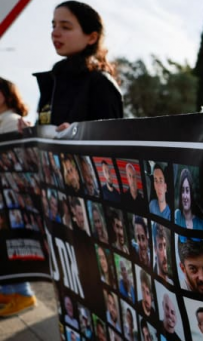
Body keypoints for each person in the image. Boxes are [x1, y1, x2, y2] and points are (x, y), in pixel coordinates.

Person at [26, 1, 122, 132]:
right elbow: (48, 135)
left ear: (92, 37)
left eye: (65, 27)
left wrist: (76, 137)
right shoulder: (52, 80)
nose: (55, 33)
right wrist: (30, 132)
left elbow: (112, 141)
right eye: (53, 26)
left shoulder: (100, 82)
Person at [0, 77, 37, 317]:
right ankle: (9, 291)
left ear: (5, 95)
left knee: (9, 243)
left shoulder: (11, 122)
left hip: (9, 195)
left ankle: (23, 295)